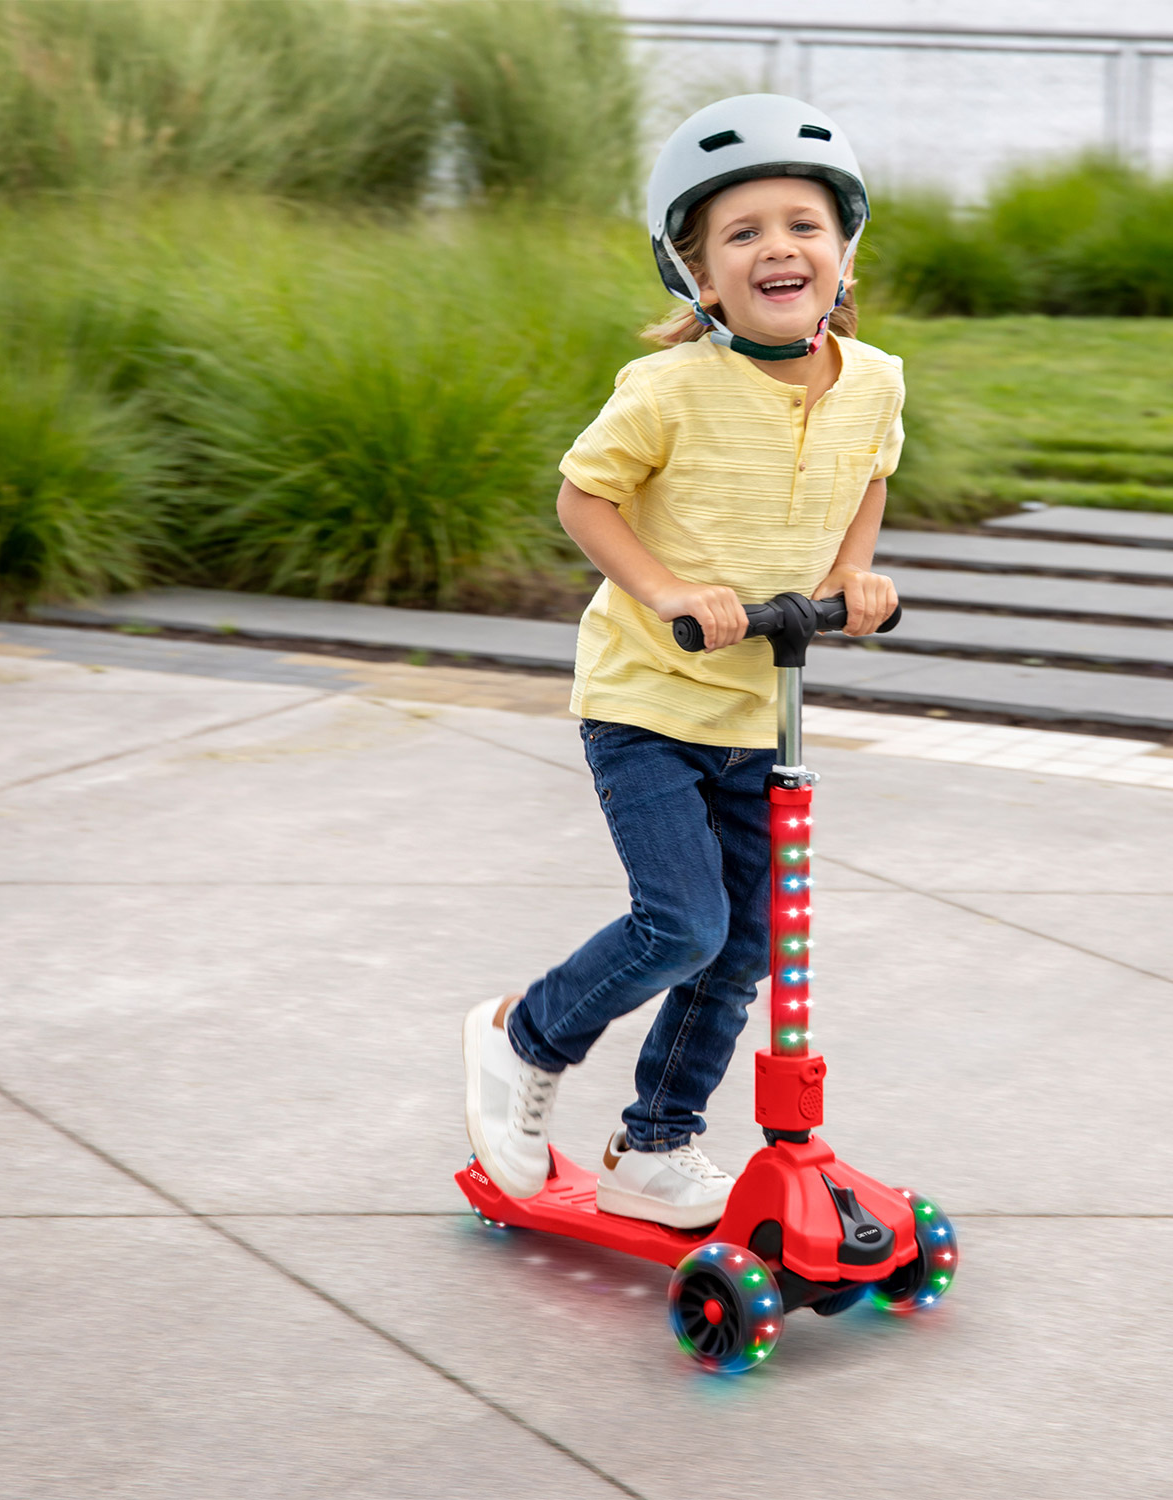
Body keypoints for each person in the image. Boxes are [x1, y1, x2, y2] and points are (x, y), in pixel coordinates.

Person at [462, 94, 904, 1228]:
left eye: (802, 223)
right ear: (699, 275)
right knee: (684, 924)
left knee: (743, 945)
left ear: (842, 249)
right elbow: (584, 496)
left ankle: (655, 1144)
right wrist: (665, 594)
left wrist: (854, 576)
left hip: (764, 704)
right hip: (648, 701)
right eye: (742, 232)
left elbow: (869, 478)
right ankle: (524, 1039)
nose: (777, 248)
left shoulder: (876, 381)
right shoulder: (665, 388)